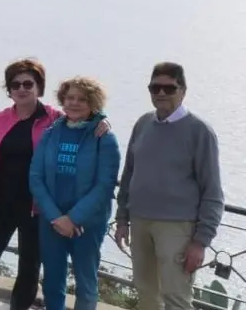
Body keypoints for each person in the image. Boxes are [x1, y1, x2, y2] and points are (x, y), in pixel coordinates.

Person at [115, 62, 223, 310]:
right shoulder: (143, 124)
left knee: (176, 298)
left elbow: (213, 191)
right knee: (146, 295)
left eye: (168, 88)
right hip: (140, 222)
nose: (161, 93)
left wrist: (201, 241)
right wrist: (122, 219)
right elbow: (129, 174)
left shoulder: (200, 132)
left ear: (183, 90)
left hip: (177, 228)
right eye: (155, 88)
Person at [0, 58, 63, 310]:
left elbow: (84, 121)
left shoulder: (55, 119)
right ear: (9, 90)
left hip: (37, 209)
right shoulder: (0, 119)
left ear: (39, 87)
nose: (21, 88)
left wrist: (101, 121)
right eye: (15, 84)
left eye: (28, 83)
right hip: (1, 204)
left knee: (29, 270)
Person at [30, 76, 121, 310]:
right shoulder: (51, 133)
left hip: (87, 224)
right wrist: (56, 217)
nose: (74, 103)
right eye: (70, 97)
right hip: (52, 221)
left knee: (85, 282)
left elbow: (104, 186)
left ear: (93, 103)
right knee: (52, 281)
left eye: (82, 99)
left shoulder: (105, 138)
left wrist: (73, 219)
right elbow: (36, 178)